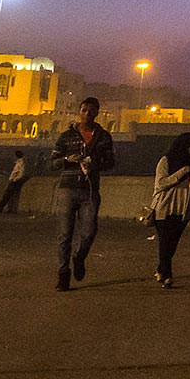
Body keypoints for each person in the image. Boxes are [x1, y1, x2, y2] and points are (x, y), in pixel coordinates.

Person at [51, 97, 115, 291]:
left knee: (89, 232)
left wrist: (94, 163)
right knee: (65, 235)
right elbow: (51, 162)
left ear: (97, 113)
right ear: (79, 111)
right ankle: (63, 274)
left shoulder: (103, 137)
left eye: (91, 111)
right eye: (84, 110)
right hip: (67, 189)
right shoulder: (66, 136)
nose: (87, 114)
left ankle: (79, 257)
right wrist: (67, 159)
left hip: (89, 190)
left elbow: (111, 162)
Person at [148, 132, 190, 289]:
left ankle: (161, 269)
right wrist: (182, 172)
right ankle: (167, 275)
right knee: (165, 241)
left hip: (182, 206)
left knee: (173, 243)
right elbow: (161, 183)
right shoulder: (165, 161)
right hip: (164, 205)